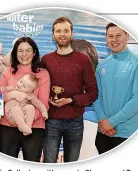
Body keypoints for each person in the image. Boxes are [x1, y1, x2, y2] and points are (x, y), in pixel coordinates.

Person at [41, 17, 98, 163]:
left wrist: (71, 100)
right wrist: (45, 99)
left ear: (72, 33)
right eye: (58, 31)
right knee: (49, 163)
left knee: (71, 163)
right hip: (52, 120)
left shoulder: (83, 60)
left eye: (66, 30)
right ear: (53, 34)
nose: (62, 34)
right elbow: (40, 87)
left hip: (75, 121)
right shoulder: (46, 60)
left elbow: (93, 93)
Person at [93, 23, 138, 154]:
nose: (114, 40)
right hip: (103, 133)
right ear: (106, 39)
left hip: (128, 134)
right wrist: (103, 121)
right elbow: (96, 95)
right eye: (110, 36)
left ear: (127, 36)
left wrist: (111, 122)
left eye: (118, 35)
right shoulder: (102, 65)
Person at [0, 37, 50, 162]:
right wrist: (13, 96)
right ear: (15, 53)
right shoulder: (7, 72)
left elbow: (43, 103)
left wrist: (26, 121)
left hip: (34, 127)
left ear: (34, 52)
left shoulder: (42, 74)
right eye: (20, 51)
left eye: (28, 50)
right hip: (8, 126)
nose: (24, 54)